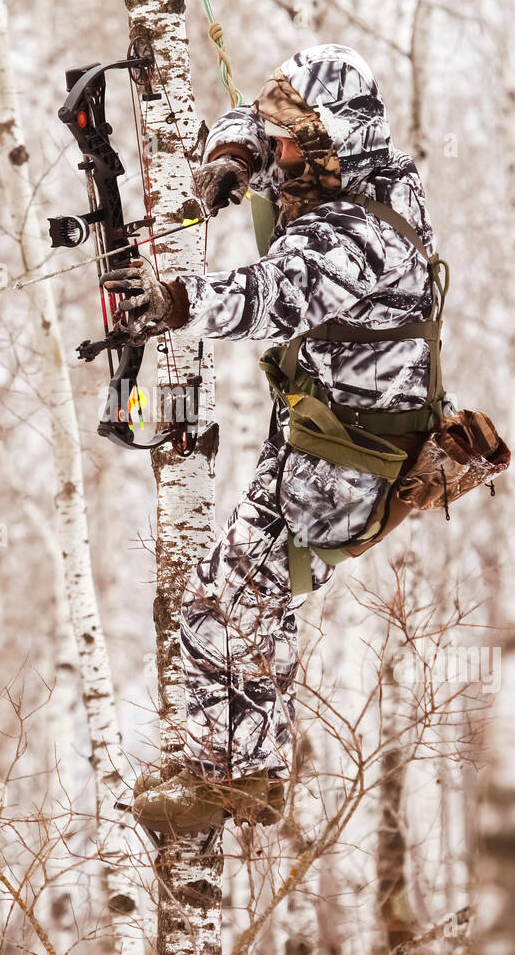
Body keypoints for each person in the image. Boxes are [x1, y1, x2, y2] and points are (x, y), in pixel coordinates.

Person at [104, 43, 445, 834]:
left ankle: (247, 776)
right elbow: (265, 132)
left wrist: (175, 301)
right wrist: (231, 154)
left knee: (245, 597)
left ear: (334, 145)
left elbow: (274, 295)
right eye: (277, 137)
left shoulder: (363, 230)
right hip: (319, 440)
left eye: (292, 142)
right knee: (212, 601)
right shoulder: (347, 168)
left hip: (349, 465)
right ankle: (219, 765)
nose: (277, 153)